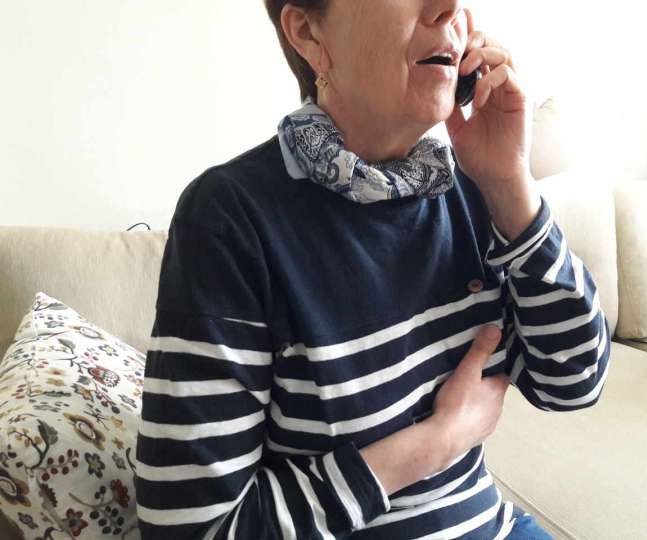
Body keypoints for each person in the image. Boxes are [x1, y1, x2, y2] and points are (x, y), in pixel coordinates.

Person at [134, 1, 611, 538]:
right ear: (308, 32)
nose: (450, 8)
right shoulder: (231, 218)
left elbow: (573, 381)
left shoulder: (470, 187)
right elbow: (193, 528)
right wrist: (436, 443)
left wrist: (511, 186)